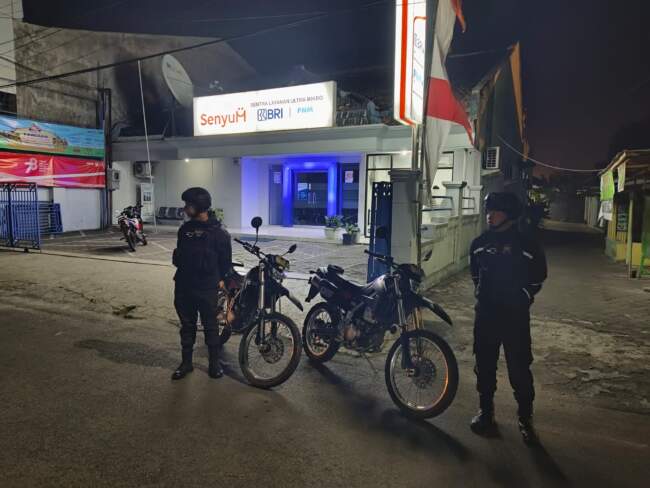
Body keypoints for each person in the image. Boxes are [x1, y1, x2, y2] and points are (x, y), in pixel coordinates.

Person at [469, 192, 547, 444]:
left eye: (496, 211)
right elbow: (475, 274)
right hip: (486, 315)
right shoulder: (479, 243)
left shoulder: (527, 245)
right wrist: (484, 294)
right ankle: (486, 413)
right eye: (488, 210)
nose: (490, 215)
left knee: (519, 369)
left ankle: (525, 419)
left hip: (515, 318)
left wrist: (523, 296)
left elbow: (539, 276)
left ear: (510, 214)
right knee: (484, 366)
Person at [171, 187, 232, 380]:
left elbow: (225, 263)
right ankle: (186, 363)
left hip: (207, 287)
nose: (185, 208)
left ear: (199, 206)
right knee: (187, 325)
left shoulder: (219, 233)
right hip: (184, 285)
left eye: (188, 205)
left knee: (210, 326)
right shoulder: (185, 230)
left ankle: (214, 364)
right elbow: (179, 256)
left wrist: (221, 281)